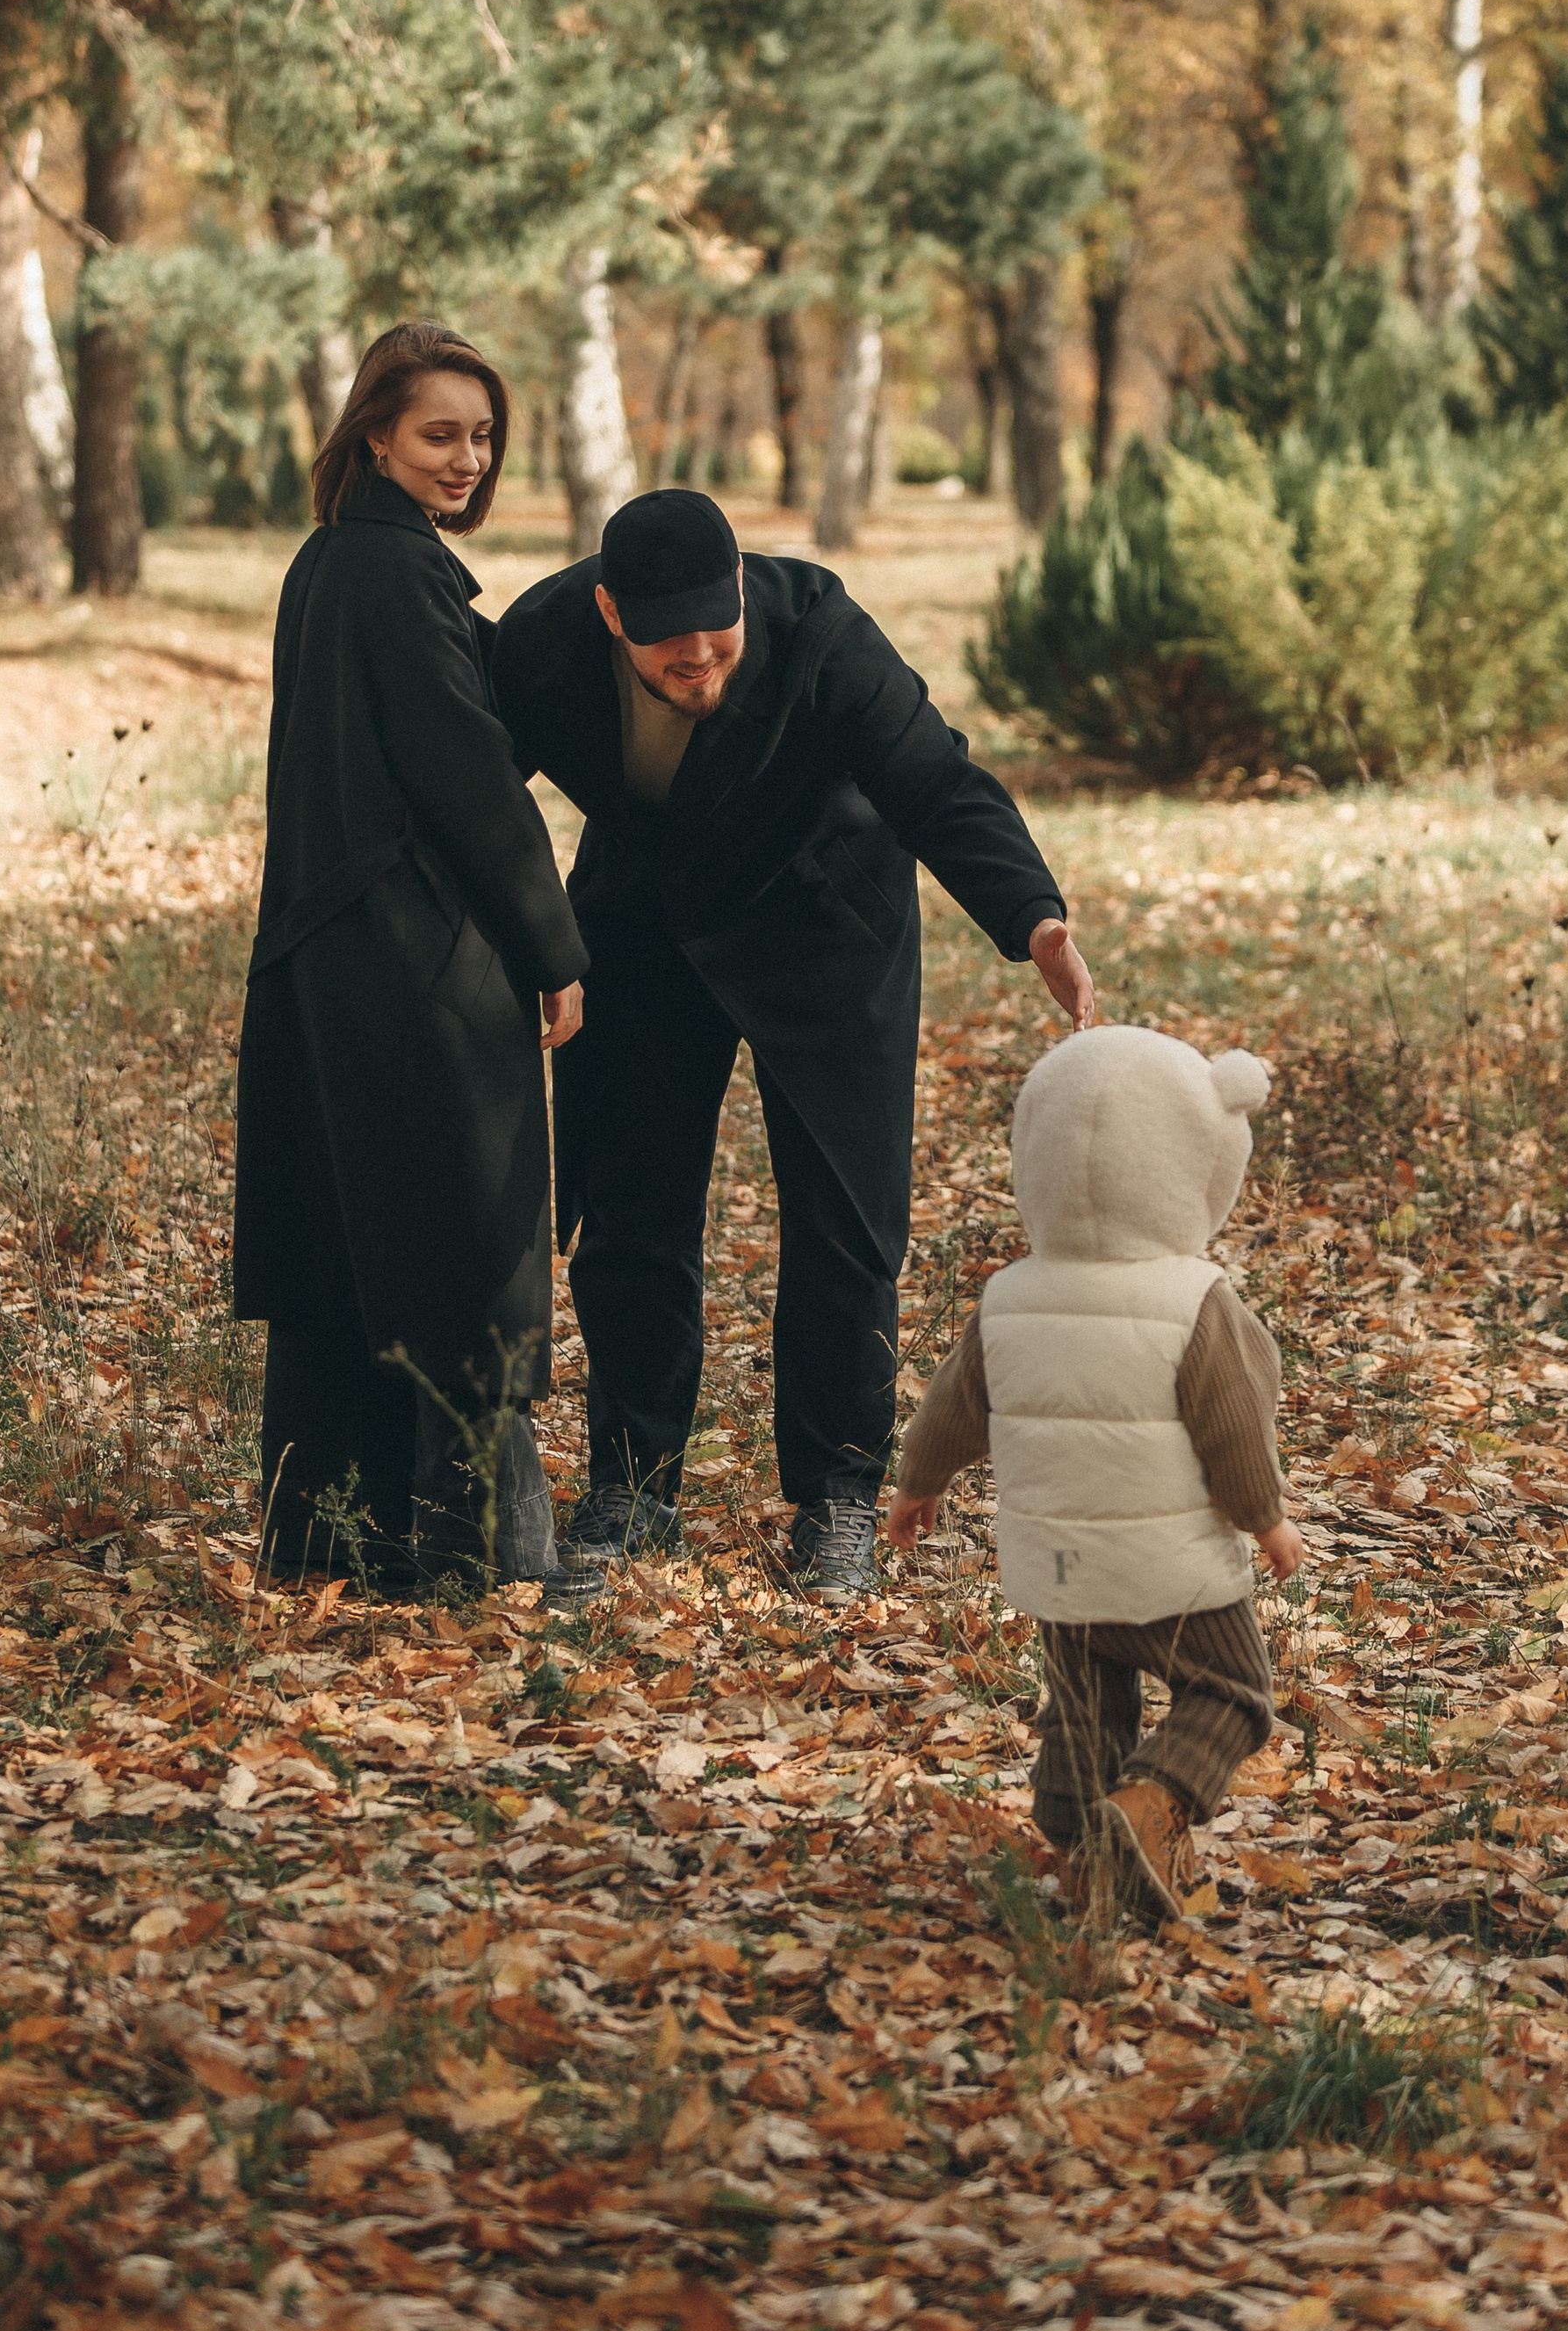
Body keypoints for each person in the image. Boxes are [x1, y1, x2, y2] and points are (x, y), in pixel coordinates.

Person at [489, 485, 1095, 1604]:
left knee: (844, 1216)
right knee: (628, 1207)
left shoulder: (821, 632)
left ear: (739, 593)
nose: (698, 659)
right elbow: (472, 792)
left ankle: (837, 1494)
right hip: (643, 922)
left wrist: (1032, 917)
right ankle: (632, 1486)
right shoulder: (542, 643)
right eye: (668, 644)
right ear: (610, 614)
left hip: (827, 926)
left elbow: (934, 778)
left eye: (716, 634)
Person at [233, 323, 588, 1595]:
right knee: (464, 1247)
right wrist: (553, 947)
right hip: (421, 958)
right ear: (375, 434)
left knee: (348, 1248)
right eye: (439, 433)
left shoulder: (330, 562)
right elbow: (468, 782)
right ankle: (482, 1550)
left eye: (482, 436)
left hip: (325, 957)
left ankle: (333, 1533)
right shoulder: (398, 573)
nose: (466, 458)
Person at [885, 1025, 1305, 1923]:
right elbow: (1233, 1425)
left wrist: (918, 1481)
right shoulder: (1195, 1301)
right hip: (1171, 1567)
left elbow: (955, 1405)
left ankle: (1083, 1858)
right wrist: (1264, 1516)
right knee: (1233, 1692)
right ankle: (1150, 1802)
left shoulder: (1009, 1297)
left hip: (1059, 1565)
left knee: (1082, 1714)